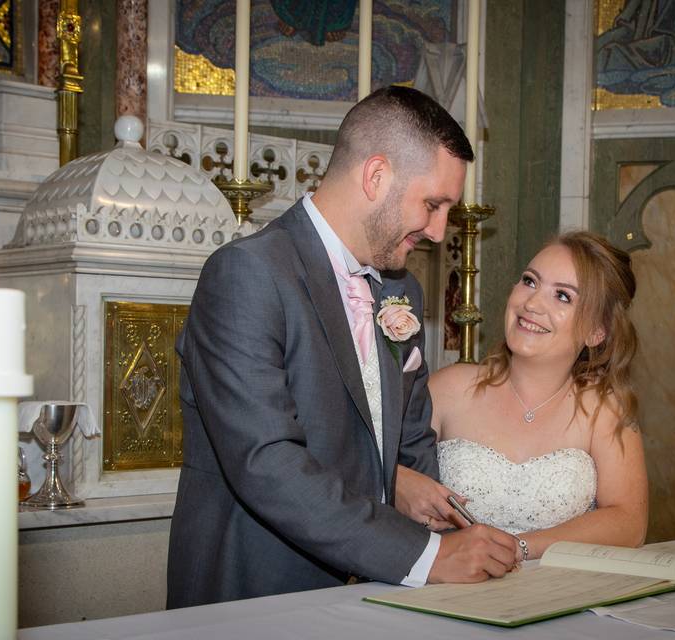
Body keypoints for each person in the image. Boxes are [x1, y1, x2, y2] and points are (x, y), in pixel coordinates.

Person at [167, 86, 518, 608]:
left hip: (381, 591)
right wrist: (424, 556)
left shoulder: (401, 289)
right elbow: (267, 462)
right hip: (257, 591)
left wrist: (435, 529)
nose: (441, 232)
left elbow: (410, 438)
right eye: (432, 204)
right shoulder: (248, 273)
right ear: (376, 176)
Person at [397, 231, 648, 559]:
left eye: (562, 296)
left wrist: (519, 547)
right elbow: (374, 470)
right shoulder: (449, 388)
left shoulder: (603, 410)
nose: (531, 304)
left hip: (555, 594)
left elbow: (629, 522)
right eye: (530, 281)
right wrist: (397, 481)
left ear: (596, 331)